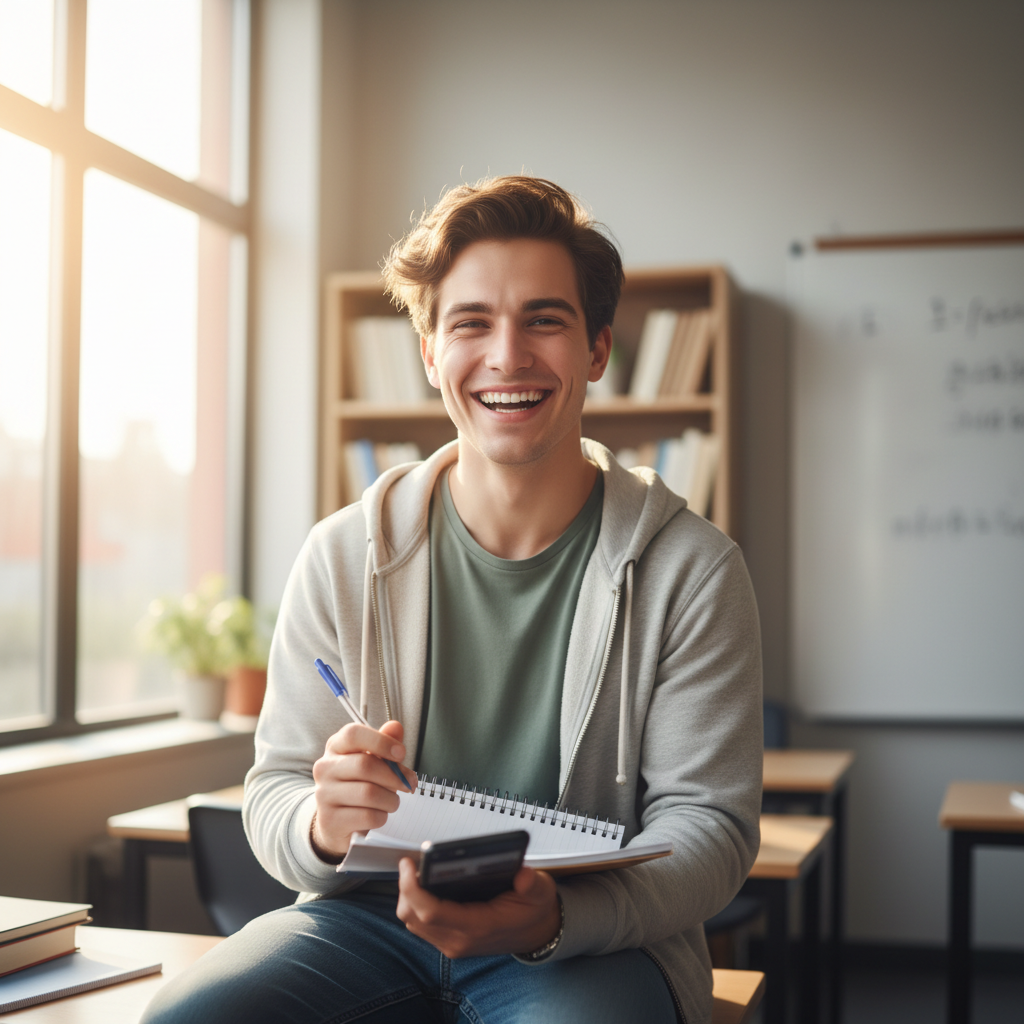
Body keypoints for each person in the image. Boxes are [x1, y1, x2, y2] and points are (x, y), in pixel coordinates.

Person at [143, 176, 762, 1024]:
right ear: (430, 352)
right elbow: (275, 790)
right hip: (367, 917)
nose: (507, 355)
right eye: (471, 322)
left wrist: (555, 917)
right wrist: (324, 824)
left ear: (597, 350)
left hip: (587, 940)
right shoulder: (341, 552)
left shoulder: (693, 569)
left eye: (544, 319)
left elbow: (711, 832)